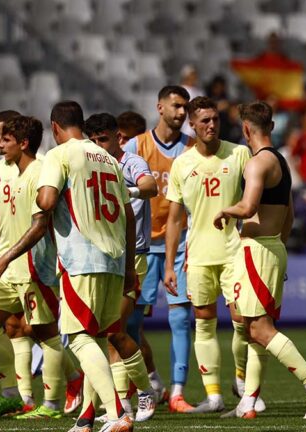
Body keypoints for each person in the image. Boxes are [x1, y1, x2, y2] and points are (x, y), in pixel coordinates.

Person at [0, 101, 137, 431]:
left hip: (80, 259)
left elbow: (47, 202)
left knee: (78, 338)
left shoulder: (60, 155)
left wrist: (42, 195)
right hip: (113, 259)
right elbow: (129, 215)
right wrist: (128, 267)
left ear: (55, 128)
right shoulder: (110, 159)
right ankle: (86, 419)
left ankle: (116, 414)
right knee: (96, 340)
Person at [214, 101, 306, 419]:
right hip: (269, 248)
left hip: (258, 250)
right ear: (272, 126)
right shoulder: (280, 160)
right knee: (252, 327)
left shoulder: (257, 163)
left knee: (261, 329)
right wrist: (276, 248)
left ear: (245, 128)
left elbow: (248, 207)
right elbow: (290, 215)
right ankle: (248, 402)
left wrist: (228, 210)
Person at [164, 96, 265, 413]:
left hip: (235, 253)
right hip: (198, 257)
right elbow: (174, 219)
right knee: (204, 324)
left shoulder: (238, 154)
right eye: (204, 121)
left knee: (242, 321)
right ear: (191, 125)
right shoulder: (181, 164)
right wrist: (170, 264)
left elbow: (253, 205)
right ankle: (214, 396)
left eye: (215, 120)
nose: (211, 125)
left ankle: (241, 383)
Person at [0, 115, 70, 420]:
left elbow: (41, 225)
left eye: (5, 139)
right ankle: (13, 395)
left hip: (32, 266)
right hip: (6, 264)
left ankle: (52, 404)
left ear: (23, 143)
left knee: (45, 332)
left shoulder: (42, 172)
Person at [123, 85, 197, 413]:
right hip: (142, 247)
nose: (182, 113)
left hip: (180, 245)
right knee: (130, 324)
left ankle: (178, 393)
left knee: (181, 320)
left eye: (185, 108)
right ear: (160, 107)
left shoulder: (193, 149)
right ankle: (150, 382)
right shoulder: (135, 146)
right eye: (177, 106)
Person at [84, 113, 159, 422]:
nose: (100, 145)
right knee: (109, 332)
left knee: (117, 329)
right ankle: (122, 405)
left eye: (104, 139)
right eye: (95, 141)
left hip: (135, 255)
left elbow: (150, 186)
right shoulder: (92, 166)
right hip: (106, 257)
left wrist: (129, 192)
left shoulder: (131, 163)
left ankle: (146, 393)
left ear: (118, 138)